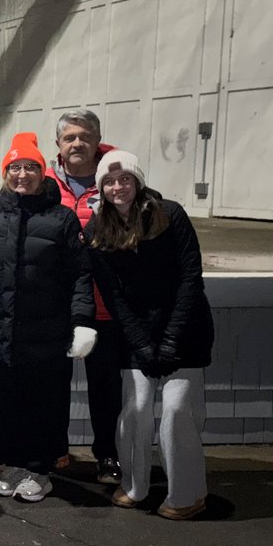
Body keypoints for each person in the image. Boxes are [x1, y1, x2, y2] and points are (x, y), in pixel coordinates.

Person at [85, 151, 214, 520]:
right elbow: (113, 294)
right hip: (137, 335)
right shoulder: (97, 230)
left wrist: (171, 339)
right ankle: (134, 484)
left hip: (185, 331)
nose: (117, 187)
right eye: (109, 181)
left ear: (137, 181)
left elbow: (191, 278)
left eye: (125, 178)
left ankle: (187, 494)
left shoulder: (170, 214)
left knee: (177, 411)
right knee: (136, 409)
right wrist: (141, 342)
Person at [0, 133, 96, 504]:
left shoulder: (60, 218)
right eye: (15, 167)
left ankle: (40, 470)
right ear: (5, 172)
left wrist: (82, 322)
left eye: (31, 167)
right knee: (2, 401)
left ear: (43, 173)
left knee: (44, 402)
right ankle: (13, 464)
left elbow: (80, 272)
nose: (23, 174)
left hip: (46, 332)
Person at [50, 108, 123, 483]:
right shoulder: (42, 180)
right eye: (69, 138)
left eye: (84, 136)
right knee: (53, 383)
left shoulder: (118, 180)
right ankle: (56, 450)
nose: (77, 143)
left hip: (105, 304)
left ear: (97, 140)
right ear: (59, 145)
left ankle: (107, 454)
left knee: (106, 386)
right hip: (57, 306)